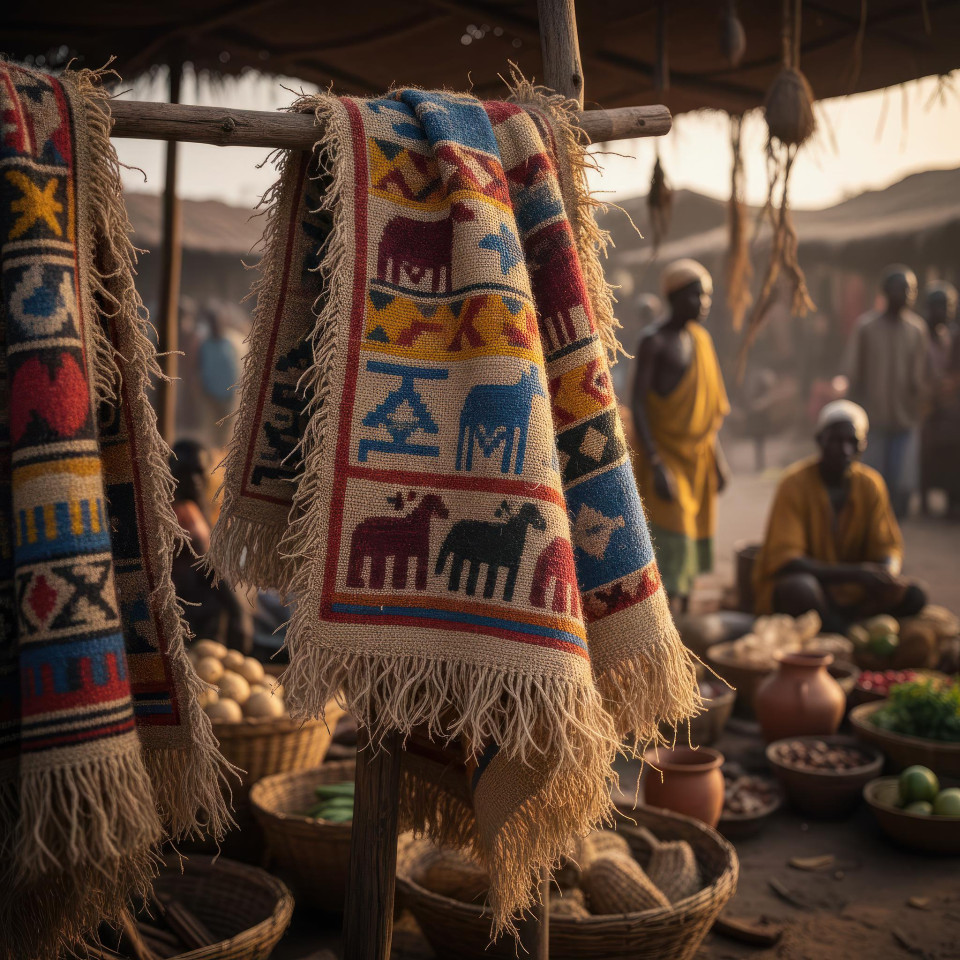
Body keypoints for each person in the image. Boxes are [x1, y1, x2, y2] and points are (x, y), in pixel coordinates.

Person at [752, 400, 926, 633]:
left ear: (862, 447)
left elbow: (888, 546)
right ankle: (845, 631)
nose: (844, 450)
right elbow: (788, 561)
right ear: (820, 440)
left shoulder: (871, 485)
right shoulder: (793, 484)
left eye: (852, 443)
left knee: (915, 595)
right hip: (815, 587)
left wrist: (886, 574)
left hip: (855, 591)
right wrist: (857, 574)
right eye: (836, 441)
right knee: (800, 589)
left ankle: (842, 626)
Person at [629, 259, 730, 611]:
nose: (704, 303)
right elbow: (638, 405)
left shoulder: (702, 340)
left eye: (707, 296)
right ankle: (665, 623)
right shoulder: (653, 341)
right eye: (697, 295)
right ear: (675, 296)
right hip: (666, 456)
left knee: (689, 549)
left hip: (697, 460)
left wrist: (719, 461)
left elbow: (710, 415)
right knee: (671, 539)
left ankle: (683, 617)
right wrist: (655, 463)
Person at [846, 265, 928, 518]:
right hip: (874, 418)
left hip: (906, 418)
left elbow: (920, 376)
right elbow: (853, 372)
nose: (905, 295)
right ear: (886, 292)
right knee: (873, 479)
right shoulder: (866, 328)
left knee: (902, 482)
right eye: (899, 289)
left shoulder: (917, 330)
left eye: (910, 290)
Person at [170, 439, 253, 652]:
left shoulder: (200, 510)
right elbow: (210, 563)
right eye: (186, 473)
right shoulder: (183, 511)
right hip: (187, 616)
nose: (194, 481)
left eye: (199, 473)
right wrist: (238, 613)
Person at [920, 281, 960, 515]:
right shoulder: (918, 334)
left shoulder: (951, 336)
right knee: (924, 454)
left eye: (949, 306)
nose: (945, 311)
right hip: (924, 404)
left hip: (948, 405)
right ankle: (924, 500)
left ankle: (951, 500)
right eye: (941, 306)